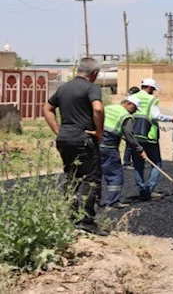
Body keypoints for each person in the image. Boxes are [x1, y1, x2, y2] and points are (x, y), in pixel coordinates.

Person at [43, 57, 108, 236]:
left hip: (64, 140)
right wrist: (99, 132)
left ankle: (71, 217)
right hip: (83, 139)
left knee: (72, 177)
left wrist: (57, 130)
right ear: (94, 73)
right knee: (90, 178)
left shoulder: (64, 88)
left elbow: (47, 108)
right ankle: (86, 221)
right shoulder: (91, 88)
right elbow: (98, 109)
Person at [131, 79, 173, 201]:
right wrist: (171, 119)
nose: (153, 91)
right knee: (157, 164)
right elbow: (156, 116)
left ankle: (141, 190)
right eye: (153, 89)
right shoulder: (152, 99)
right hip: (150, 136)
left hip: (135, 136)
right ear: (149, 88)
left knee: (138, 165)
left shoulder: (131, 97)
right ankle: (149, 189)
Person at [99, 96, 147, 209]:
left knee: (96, 173)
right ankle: (112, 201)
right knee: (116, 175)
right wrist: (139, 149)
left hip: (97, 145)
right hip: (109, 147)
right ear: (129, 104)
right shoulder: (125, 116)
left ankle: (94, 200)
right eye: (135, 108)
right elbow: (130, 136)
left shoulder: (108, 108)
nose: (135, 111)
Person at [122, 86, 141, 170]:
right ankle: (126, 163)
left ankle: (131, 162)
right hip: (129, 124)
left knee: (129, 145)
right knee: (129, 145)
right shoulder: (132, 101)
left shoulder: (127, 100)